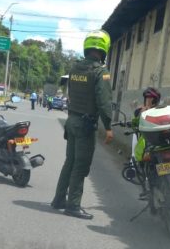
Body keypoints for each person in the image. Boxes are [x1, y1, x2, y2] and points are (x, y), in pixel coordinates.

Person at [51, 29, 114, 220]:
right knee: (80, 165)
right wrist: (109, 127)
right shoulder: (100, 72)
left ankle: (59, 200)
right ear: (103, 50)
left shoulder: (75, 69)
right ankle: (73, 205)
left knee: (69, 162)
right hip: (86, 126)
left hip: (71, 121)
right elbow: (104, 102)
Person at [132, 87, 161, 199]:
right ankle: (148, 187)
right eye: (148, 99)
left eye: (151, 99)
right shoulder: (141, 111)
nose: (149, 101)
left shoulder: (161, 110)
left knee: (140, 159)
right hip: (151, 143)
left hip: (156, 143)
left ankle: (148, 188)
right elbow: (135, 123)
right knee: (141, 160)